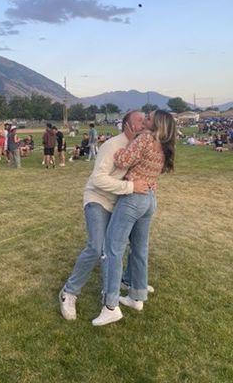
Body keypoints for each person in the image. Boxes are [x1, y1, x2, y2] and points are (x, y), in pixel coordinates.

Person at [59, 111, 151, 320]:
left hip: (120, 203)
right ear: (127, 125)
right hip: (98, 199)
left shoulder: (139, 146)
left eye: (146, 119)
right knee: (97, 246)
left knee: (123, 247)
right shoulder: (112, 145)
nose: (144, 123)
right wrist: (131, 187)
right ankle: (69, 292)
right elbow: (98, 179)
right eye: (139, 120)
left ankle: (123, 285)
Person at [92, 110, 177, 326]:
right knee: (140, 248)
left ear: (156, 123)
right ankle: (137, 296)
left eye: (148, 118)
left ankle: (110, 306)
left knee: (113, 249)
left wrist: (123, 148)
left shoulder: (145, 139)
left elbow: (123, 161)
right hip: (150, 198)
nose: (144, 120)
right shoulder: (163, 144)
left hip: (133, 198)